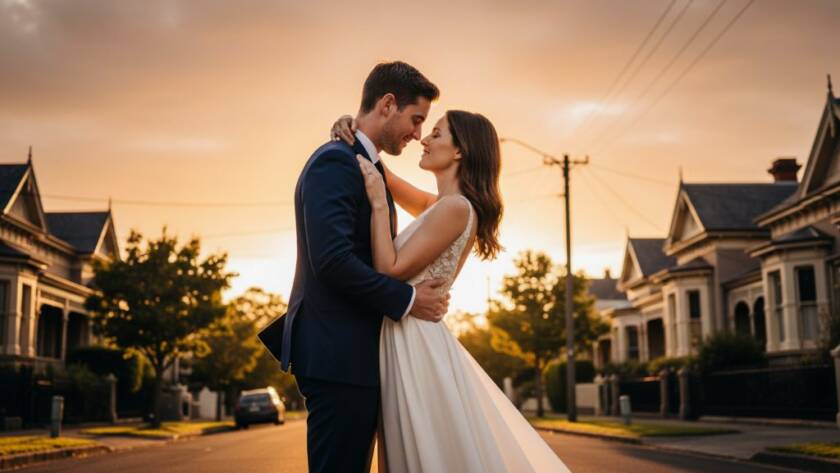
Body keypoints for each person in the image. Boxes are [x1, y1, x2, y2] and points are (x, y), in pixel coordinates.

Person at [331, 106, 572, 472]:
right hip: (408, 334)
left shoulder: (456, 209)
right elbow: (380, 172)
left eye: (437, 133)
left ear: (460, 151)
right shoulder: (442, 206)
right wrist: (352, 132)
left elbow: (388, 269)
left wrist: (379, 206)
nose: (424, 139)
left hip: (415, 342)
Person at [258, 61, 451, 473]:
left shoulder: (364, 163)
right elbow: (332, 261)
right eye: (416, 119)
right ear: (387, 104)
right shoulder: (336, 162)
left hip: (354, 356)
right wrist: (409, 299)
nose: (417, 133)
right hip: (338, 356)